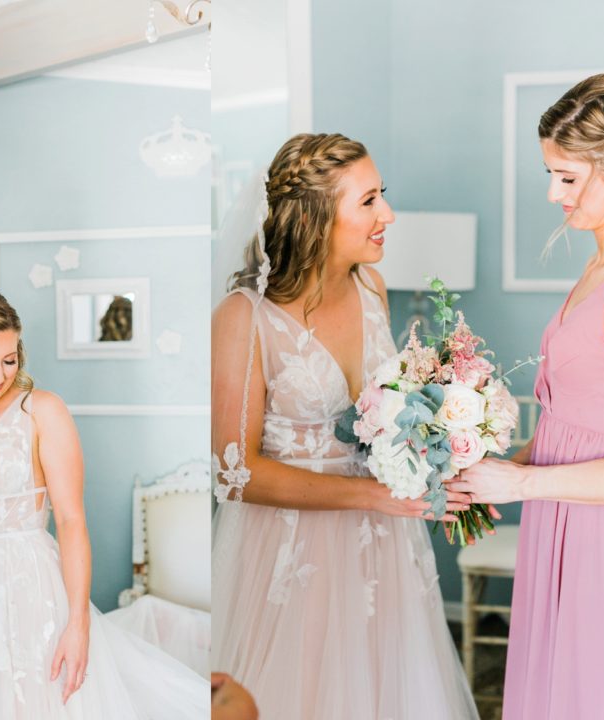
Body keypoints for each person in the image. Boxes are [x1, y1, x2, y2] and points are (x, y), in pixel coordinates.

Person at [211, 133, 480, 719]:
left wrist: (436, 445)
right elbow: (235, 474)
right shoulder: (245, 318)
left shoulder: (371, 289)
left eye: (382, 195)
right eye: (368, 201)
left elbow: (387, 411)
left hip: (385, 545)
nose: (388, 214)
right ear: (314, 218)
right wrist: (373, 496)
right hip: (294, 549)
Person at [448, 73, 604, 719]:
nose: (553, 193)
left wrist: (518, 487)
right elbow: (585, 422)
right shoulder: (602, 264)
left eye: (567, 177)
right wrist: (501, 468)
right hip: (565, 525)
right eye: (550, 174)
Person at [0, 290, 207, 719]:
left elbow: (72, 522)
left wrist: (78, 625)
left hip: (27, 595)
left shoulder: (41, 412)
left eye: (10, 358)